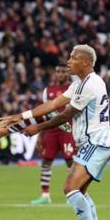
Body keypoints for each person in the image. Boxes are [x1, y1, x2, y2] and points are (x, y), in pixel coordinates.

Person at [2, 45, 110, 220]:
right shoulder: (83, 83)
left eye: (73, 58)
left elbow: (64, 115)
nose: (69, 61)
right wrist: (23, 116)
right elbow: (53, 104)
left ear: (86, 63)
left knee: (70, 189)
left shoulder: (90, 85)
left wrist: (38, 127)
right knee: (80, 190)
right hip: (98, 141)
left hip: (95, 141)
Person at [30, 62, 76, 204]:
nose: (60, 74)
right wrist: (39, 135)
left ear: (68, 73)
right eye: (58, 71)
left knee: (70, 161)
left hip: (67, 130)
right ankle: (45, 196)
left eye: (63, 71)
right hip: (50, 130)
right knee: (46, 161)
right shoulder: (47, 90)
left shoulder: (73, 89)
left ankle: (72, 194)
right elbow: (43, 112)